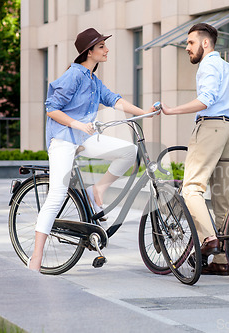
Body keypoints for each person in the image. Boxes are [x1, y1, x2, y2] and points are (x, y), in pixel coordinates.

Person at [28, 28, 155, 272]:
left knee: (128, 152)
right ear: (89, 51)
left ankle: (98, 189)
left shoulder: (93, 80)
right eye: (101, 47)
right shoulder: (74, 75)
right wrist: (77, 124)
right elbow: (51, 108)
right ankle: (36, 258)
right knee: (56, 194)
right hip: (64, 139)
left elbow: (115, 100)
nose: (106, 50)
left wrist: (145, 112)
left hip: (84, 138)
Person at [161, 23, 229, 276]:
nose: (187, 48)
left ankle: (208, 240)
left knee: (191, 189)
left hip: (211, 128)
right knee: (221, 195)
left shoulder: (208, 65)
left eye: (190, 43)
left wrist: (171, 110)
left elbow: (206, 100)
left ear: (206, 43)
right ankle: (221, 261)